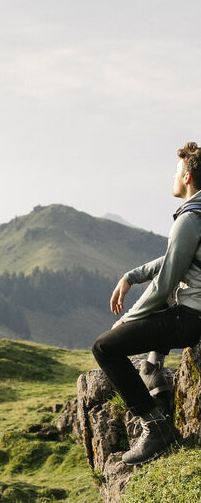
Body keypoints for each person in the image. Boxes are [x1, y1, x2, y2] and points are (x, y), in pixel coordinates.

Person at [92, 141, 201, 466]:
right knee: (164, 299)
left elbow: (166, 280)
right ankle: (153, 371)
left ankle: (154, 427)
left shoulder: (190, 219)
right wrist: (131, 276)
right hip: (193, 313)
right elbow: (174, 258)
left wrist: (127, 320)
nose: (172, 176)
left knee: (105, 348)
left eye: (176, 170)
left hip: (192, 318)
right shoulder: (196, 216)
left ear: (187, 177)